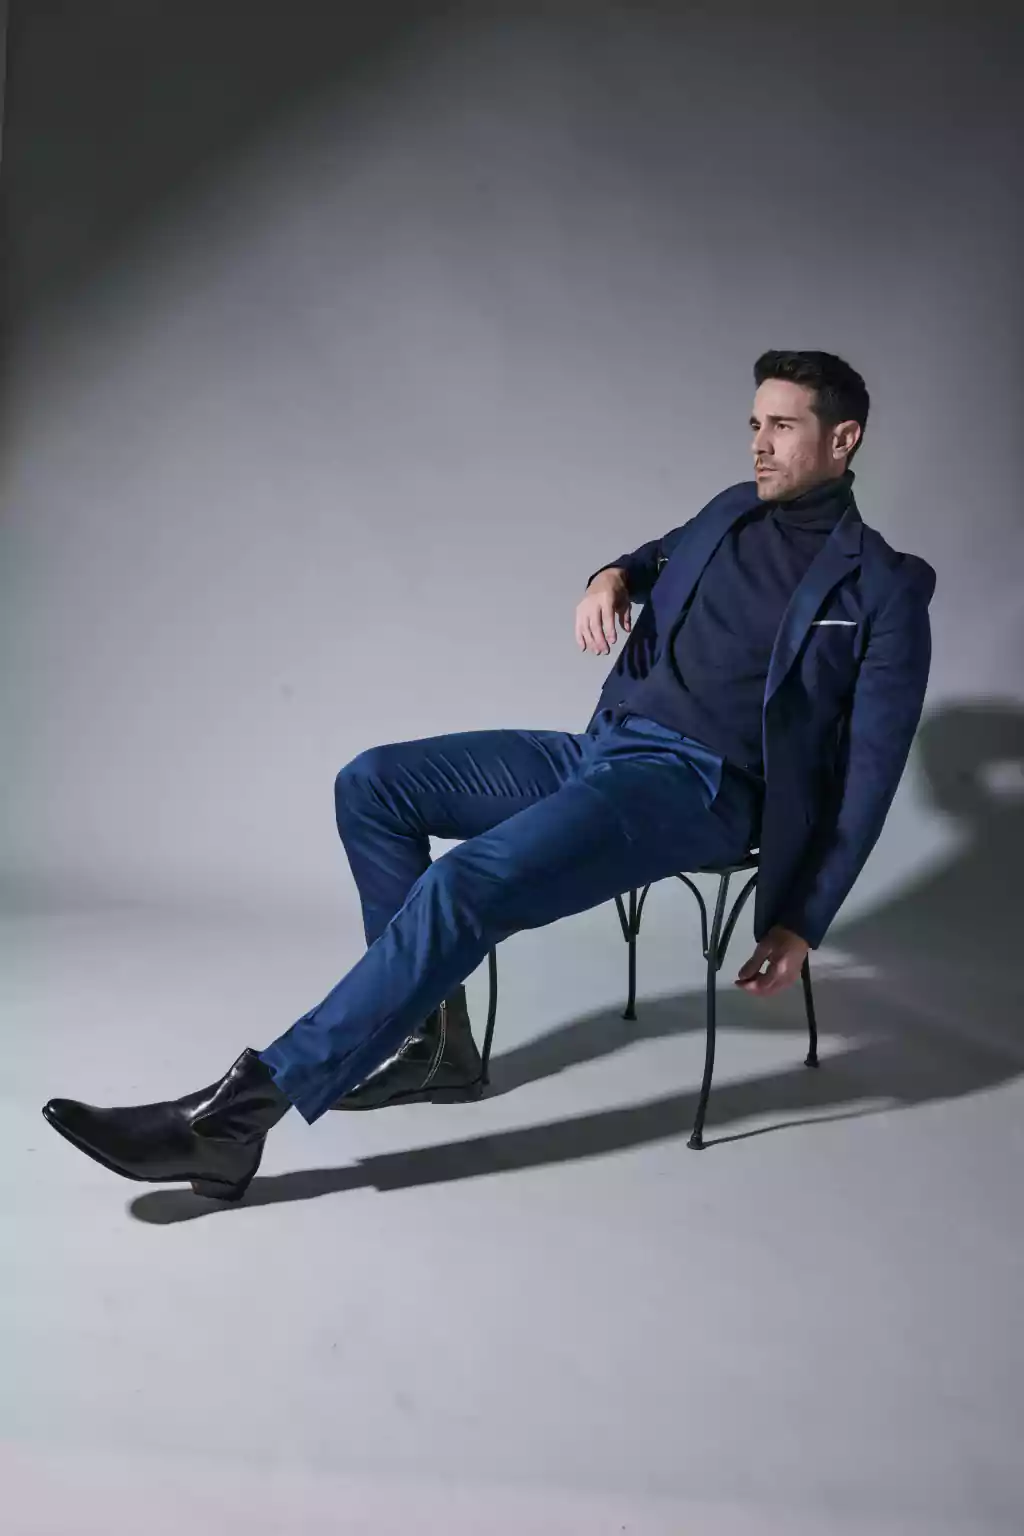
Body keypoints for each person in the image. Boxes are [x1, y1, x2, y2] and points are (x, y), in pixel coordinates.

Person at [42, 349, 936, 1201]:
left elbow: (871, 773)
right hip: (605, 750)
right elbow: (651, 557)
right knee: (374, 784)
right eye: (754, 423)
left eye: (782, 426)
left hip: (698, 789)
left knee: (465, 884)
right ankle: (436, 1050)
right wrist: (608, 577)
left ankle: (239, 1117)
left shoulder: (883, 587)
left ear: (843, 438)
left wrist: (802, 920)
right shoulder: (730, 509)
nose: (758, 444)